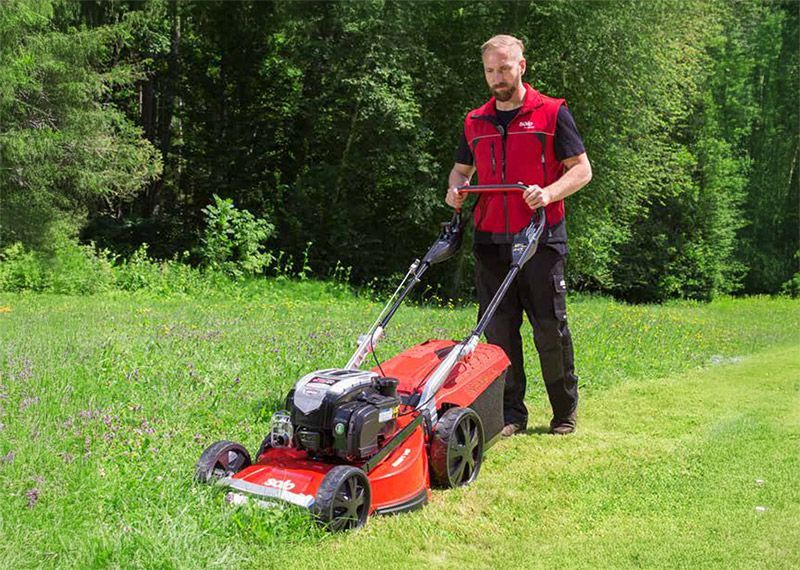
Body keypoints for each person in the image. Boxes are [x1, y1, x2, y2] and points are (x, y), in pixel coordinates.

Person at [446, 34, 592, 436]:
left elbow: (581, 169)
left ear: (522, 66)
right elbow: (461, 171)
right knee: (499, 331)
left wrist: (548, 193)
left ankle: (563, 412)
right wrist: (455, 189)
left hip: (541, 237)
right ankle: (511, 415)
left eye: (505, 68)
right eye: (490, 70)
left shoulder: (552, 112)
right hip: (491, 239)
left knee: (549, 327)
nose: (498, 77)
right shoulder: (475, 121)